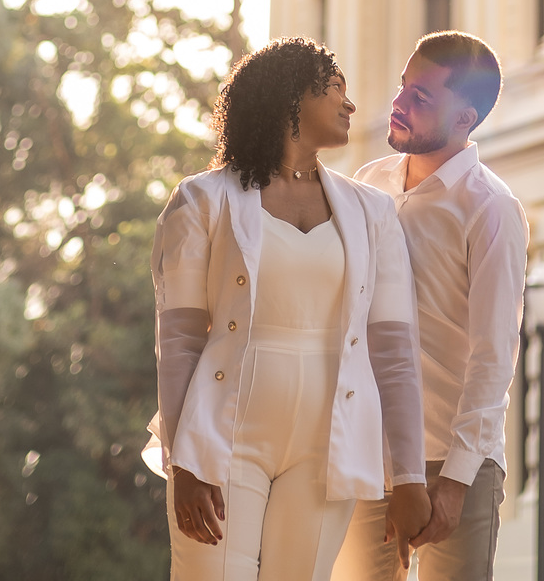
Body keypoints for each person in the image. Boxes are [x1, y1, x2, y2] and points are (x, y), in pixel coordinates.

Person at [143, 38, 432, 581]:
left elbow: (393, 352)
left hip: (329, 446)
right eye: (335, 89)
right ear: (291, 101)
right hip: (223, 440)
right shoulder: (203, 200)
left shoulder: (372, 212)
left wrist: (409, 477)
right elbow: (179, 339)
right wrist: (182, 459)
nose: (350, 104)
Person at [333, 32, 530, 581]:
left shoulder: (491, 209)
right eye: (403, 87)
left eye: (421, 97)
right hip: (368, 455)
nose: (398, 104)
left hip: (453, 460)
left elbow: (495, 355)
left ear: (465, 118)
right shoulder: (367, 185)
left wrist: (457, 480)